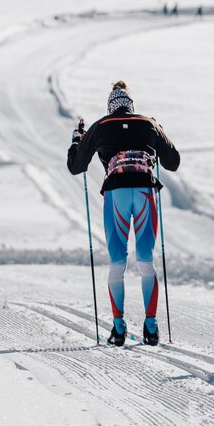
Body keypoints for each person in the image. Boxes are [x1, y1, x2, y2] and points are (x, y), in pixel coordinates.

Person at [67, 80, 180, 346]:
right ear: (131, 106)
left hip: (116, 193)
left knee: (117, 261)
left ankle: (118, 329)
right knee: (145, 260)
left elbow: (76, 166)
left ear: (110, 106)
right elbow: (172, 162)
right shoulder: (149, 123)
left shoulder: (100, 126)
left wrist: (77, 140)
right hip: (144, 192)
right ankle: (151, 328)